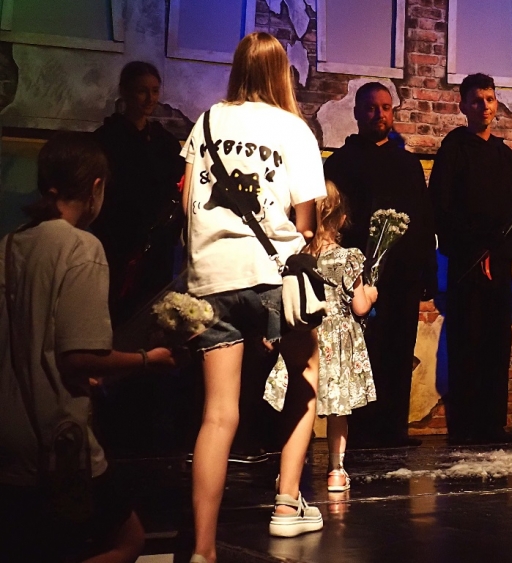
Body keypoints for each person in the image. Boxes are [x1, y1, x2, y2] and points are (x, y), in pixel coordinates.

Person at [180, 32, 327, 560]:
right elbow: (307, 221)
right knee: (306, 376)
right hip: (271, 275)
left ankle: (202, 549)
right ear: (282, 72)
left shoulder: (207, 121)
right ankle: (287, 503)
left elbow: (187, 203)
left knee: (218, 413)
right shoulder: (293, 128)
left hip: (211, 278)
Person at [0, 132, 175, 563]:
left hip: (8, 437)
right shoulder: (81, 247)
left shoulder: (10, 244)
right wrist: (148, 360)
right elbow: (79, 356)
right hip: (58, 438)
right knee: (127, 541)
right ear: (96, 187)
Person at [324, 81, 436, 448]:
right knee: (360, 352)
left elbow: (422, 220)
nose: (380, 114)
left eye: (386, 108)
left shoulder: (407, 164)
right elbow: (332, 221)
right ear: (357, 112)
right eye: (372, 108)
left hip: (401, 277)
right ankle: (360, 432)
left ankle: (394, 429)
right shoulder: (340, 163)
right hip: (355, 278)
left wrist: (427, 270)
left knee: (398, 351)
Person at [429, 73, 512, 445]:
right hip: (467, 264)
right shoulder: (454, 150)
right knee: (466, 341)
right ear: (463, 106)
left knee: (496, 342)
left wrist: (497, 251)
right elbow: (442, 208)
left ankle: (492, 423)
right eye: (476, 100)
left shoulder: (506, 156)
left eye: (489, 99)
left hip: (497, 264)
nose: (484, 106)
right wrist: (474, 249)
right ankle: (465, 426)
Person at [265, 181, 378, 491]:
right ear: (342, 219)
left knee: (299, 405)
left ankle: (288, 471)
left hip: (304, 337)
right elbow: (359, 306)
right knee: (338, 411)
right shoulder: (347, 258)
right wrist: (371, 294)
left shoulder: (295, 256)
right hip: (337, 344)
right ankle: (336, 471)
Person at [92, 60, 184, 327]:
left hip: (158, 245)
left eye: (154, 91)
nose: (150, 98)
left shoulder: (164, 141)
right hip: (118, 241)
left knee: (154, 314)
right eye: (142, 91)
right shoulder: (107, 138)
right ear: (125, 91)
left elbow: (176, 188)